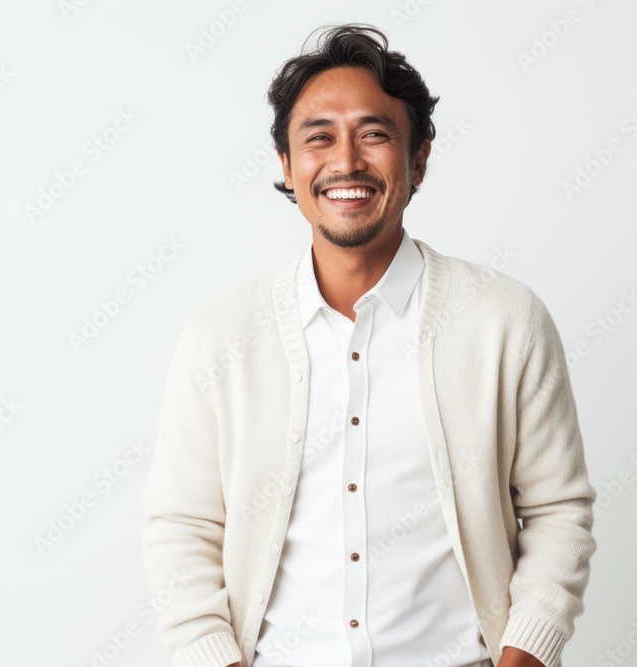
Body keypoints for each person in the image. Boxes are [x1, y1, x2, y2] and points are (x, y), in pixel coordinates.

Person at [141, 23, 597, 667]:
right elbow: (181, 527)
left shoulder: (504, 321)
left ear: (418, 160)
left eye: (375, 133)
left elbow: (558, 511)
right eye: (318, 136)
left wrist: (525, 655)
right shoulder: (222, 337)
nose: (347, 161)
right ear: (287, 164)